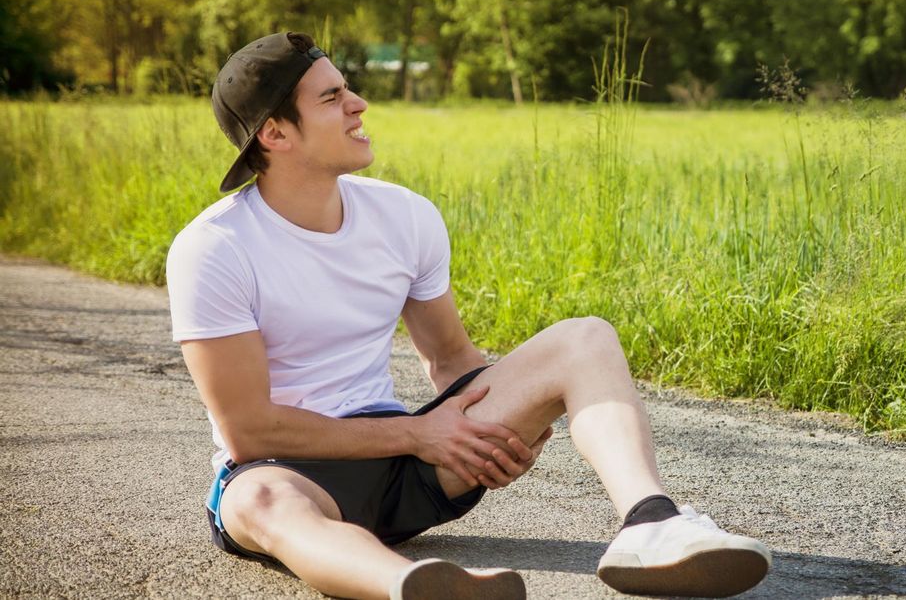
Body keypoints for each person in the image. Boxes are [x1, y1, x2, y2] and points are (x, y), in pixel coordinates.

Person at [166, 32, 771, 600]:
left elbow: (451, 360)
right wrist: (417, 431)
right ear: (275, 133)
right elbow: (250, 431)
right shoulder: (216, 249)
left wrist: (496, 433)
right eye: (332, 96)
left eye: (347, 88)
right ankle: (415, 585)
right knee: (260, 500)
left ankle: (652, 522)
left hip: (409, 468)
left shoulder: (404, 217)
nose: (359, 103)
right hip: (292, 477)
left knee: (584, 339)